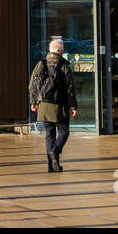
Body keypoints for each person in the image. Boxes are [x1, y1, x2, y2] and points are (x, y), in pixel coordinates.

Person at [29, 39, 77, 171]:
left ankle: (51, 166)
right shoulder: (64, 66)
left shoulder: (41, 64)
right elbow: (70, 89)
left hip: (44, 106)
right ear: (61, 51)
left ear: (50, 50)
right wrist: (73, 107)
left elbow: (32, 86)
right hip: (60, 107)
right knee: (64, 132)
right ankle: (55, 151)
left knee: (49, 135)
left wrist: (33, 102)